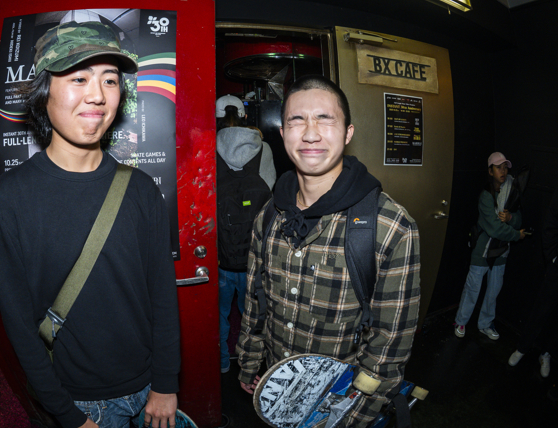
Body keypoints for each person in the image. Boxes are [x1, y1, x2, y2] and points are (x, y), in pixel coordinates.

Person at [0, 21, 180, 428]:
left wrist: (165, 382)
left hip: (149, 386)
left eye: (110, 80)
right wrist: (66, 414)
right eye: (78, 78)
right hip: (81, 403)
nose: (98, 95)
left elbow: (162, 293)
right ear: (43, 92)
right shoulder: (8, 199)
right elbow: (18, 323)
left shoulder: (141, 190)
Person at [236, 75, 421, 427]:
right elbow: (256, 300)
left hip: (339, 403)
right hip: (276, 388)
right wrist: (249, 361)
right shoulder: (269, 214)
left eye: (325, 119)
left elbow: (389, 343)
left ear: (348, 133)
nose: (310, 133)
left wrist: (351, 418)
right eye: (297, 120)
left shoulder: (390, 226)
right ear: (283, 133)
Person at [215, 96, 276, 373]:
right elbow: (270, 192)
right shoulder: (263, 148)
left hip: (220, 253)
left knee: (218, 315)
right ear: (244, 116)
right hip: (254, 254)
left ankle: (221, 364)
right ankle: (250, 367)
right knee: (253, 314)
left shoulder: (208, 146)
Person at [454, 152, 525, 340]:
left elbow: (519, 219)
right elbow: (494, 228)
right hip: (482, 252)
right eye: (498, 167)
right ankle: (461, 321)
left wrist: (510, 218)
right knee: (472, 289)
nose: (503, 171)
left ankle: (485, 324)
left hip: (501, 252)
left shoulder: (511, 192)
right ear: (490, 171)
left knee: (493, 292)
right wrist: (516, 235)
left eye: (505, 167)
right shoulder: (486, 196)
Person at [508, 175, 558, 381]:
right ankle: (522, 348)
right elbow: (552, 218)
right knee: (542, 309)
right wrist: (553, 257)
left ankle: (546, 353)